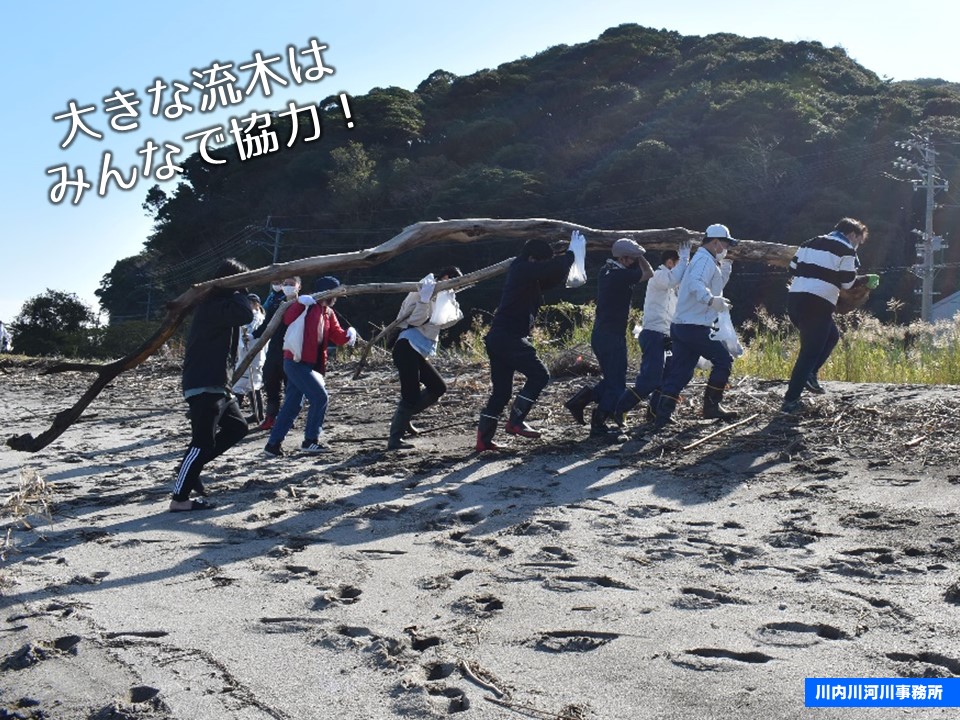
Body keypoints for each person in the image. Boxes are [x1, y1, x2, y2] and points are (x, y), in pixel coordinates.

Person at [170, 258, 254, 512]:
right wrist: (241, 290)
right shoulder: (212, 305)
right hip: (205, 383)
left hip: (218, 384)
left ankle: (192, 466)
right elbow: (245, 314)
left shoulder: (217, 304)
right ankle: (179, 499)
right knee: (201, 442)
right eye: (241, 282)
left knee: (238, 428)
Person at [476, 236, 575, 451]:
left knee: (501, 393)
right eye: (541, 262)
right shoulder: (521, 268)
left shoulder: (528, 274)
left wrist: (566, 260)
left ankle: (483, 440)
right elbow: (548, 268)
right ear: (532, 259)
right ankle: (516, 421)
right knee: (540, 375)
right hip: (508, 337)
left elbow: (551, 276)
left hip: (499, 338)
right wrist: (570, 255)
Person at [781, 217, 874, 413]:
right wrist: (866, 279)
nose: (858, 245)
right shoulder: (846, 250)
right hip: (818, 303)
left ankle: (810, 375)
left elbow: (792, 268)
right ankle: (791, 401)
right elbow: (847, 283)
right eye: (859, 241)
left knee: (831, 336)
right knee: (809, 352)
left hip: (795, 300)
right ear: (852, 235)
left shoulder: (809, 243)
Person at [564, 238, 653, 438]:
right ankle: (599, 423)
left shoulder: (607, 271)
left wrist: (636, 253)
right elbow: (649, 273)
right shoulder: (620, 275)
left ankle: (579, 401)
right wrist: (642, 256)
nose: (633, 262)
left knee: (612, 379)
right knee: (617, 384)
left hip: (603, 335)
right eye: (630, 258)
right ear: (622, 257)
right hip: (611, 337)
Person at [653, 224, 739, 429]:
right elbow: (696, 284)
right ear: (715, 242)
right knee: (723, 360)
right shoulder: (703, 260)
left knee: (682, 371)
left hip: (683, 325)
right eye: (725, 243)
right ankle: (711, 407)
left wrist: (726, 266)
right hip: (694, 326)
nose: (726, 247)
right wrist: (711, 301)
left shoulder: (707, 260)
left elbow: (711, 284)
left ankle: (662, 414)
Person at [263, 276, 358, 457]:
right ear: (327, 292)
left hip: (309, 364)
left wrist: (349, 335)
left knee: (292, 404)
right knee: (320, 397)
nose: (336, 298)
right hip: (295, 361)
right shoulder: (307, 305)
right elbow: (288, 319)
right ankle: (310, 440)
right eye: (335, 294)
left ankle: (272, 445)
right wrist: (300, 304)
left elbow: (336, 336)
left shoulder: (328, 312)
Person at [386, 266, 464, 451]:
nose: (455, 290)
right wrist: (424, 299)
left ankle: (404, 419)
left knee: (438, 387)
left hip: (419, 349)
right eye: (454, 284)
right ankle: (395, 438)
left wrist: (450, 300)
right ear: (445, 277)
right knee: (410, 393)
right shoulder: (422, 288)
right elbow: (413, 321)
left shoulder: (443, 295)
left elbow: (448, 321)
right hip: (407, 346)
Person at [614, 242, 690, 424]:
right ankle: (620, 409)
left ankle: (654, 414)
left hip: (666, 336)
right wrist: (686, 258)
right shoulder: (660, 276)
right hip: (653, 334)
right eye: (680, 263)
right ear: (671, 263)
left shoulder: (673, 287)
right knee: (650, 379)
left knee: (666, 378)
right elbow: (674, 279)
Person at [255, 276, 301, 431]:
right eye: (285, 284)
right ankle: (270, 417)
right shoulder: (276, 304)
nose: (287, 287)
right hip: (274, 349)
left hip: (292, 350)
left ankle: (288, 418)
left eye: (291, 284)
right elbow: (267, 324)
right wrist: (253, 335)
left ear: (298, 286)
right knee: (271, 383)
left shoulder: (303, 305)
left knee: (291, 386)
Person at [231, 293, 266, 425]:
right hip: (244, 355)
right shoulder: (246, 318)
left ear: (256, 304)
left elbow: (255, 335)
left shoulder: (258, 318)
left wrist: (248, 337)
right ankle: (255, 414)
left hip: (255, 356)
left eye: (251, 303)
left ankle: (256, 414)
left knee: (250, 385)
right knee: (244, 385)